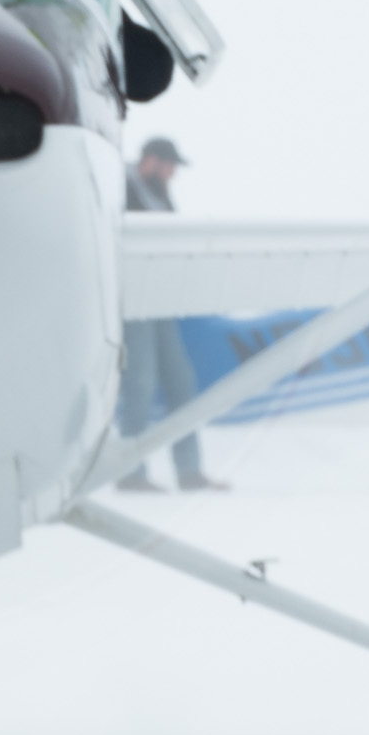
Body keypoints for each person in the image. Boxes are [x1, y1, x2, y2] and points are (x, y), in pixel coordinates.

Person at [117, 135, 226, 493]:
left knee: (181, 382)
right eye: (169, 166)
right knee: (140, 384)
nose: (172, 174)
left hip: (160, 302)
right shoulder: (120, 188)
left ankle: (189, 471)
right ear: (150, 161)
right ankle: (130, 472)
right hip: (133, 303)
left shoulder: (159, 195)